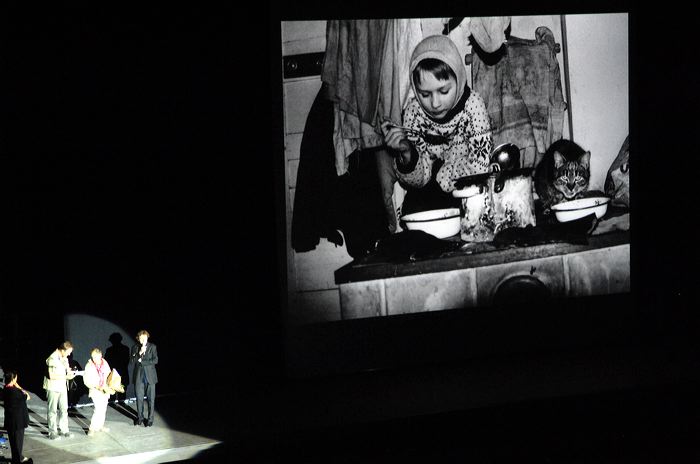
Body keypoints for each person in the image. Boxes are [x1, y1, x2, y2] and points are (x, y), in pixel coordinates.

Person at [380, 34, 494, 216]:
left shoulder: (473, 105)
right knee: (414, 217)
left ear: (459, 78)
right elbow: (419, 180)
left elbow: (481, 166)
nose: (435, 103)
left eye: (443, 91)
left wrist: (444, 173)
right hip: (428, 191)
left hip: (469, 187)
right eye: (425, 94)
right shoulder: (413, 112)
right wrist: (408, 153)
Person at [43, 341, 76, 440]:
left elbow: (66, 369)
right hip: (53, 387)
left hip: (62, 387)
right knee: (52, 410)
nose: (69, 354)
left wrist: (70, 372)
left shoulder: (64, 358)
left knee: (64, 409)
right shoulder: (52, 359)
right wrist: (66, 376)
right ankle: (52, 432)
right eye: (68, 352)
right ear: (62, 350)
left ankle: (64, 429)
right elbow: (51, 376)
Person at [129, 330, 158, 427]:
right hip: (139, 377)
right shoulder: (135, 347)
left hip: (150, 377)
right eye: (141, 338)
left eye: (144, 338)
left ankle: (150, 419)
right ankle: (140, 418)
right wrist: (139, 353)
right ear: (138, 339)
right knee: (139, 398)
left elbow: (155, 360)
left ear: (147, 337)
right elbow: (132, 361)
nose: (142, 339)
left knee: (151, 399)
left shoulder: (152, 347)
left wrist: (143, 361)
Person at [83, 348, 114, 436]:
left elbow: (109, 374)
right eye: (93, 357)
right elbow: (86, 380)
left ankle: (100, 426)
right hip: (95, 391)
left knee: (103, 409)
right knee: (98, 409)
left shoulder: (105, 363)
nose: (94, 359)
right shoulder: (89, 365)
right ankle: (92, 428)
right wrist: (96, 386)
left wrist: (111, 384)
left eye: (96, 357)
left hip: (105, 389)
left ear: (100, 356)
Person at [3, 369, 31, 463]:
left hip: (10, 421)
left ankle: (19, 457)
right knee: (18, 442)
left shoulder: (5, 389)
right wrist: (17, 385)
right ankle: (17, 460)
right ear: (14, 379)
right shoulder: (16, 392)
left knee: (13, 442)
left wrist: (14, 383)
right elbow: (27, 396)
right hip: (18, 422)